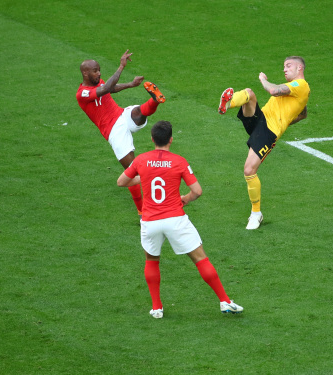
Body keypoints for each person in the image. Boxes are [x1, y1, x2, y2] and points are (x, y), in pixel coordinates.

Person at [117, 120, 243, 318]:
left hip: (150, 221)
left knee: (151, 260)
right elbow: (197, 191)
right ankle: (225, 302)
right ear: (171, 140)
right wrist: (185, 198)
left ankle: (157, 308)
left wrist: (145, 177)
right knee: (200, 258)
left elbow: (121, 181)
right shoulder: (179, 161)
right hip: (175, 219)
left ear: (152, 139)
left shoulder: (141, 160)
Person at [217, 56, 310, 230]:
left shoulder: (301, 86)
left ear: (300, 68)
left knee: (249, 170)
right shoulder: (296, 90)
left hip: (269, 131)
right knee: (249, 94)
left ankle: (256, 213)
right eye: (284, 66)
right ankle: (227, 104)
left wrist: (263, 80)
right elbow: (303, 114)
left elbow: (274, 91)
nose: (284, 69)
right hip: (261, 119)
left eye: (288, 66)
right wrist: (289, 118)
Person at [77, 49, 166, 218]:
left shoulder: (98, 82)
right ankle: (142, 212)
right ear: (85, 73)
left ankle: (154, 100)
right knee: (132, 171)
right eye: (95, 71)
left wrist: (131, 85)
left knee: (138, 113)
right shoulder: (83, 94)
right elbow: (106, 89)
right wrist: (120, 67)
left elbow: (110, 88)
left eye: (99, 69)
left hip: (120, 115)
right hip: (113, 132)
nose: (99, 73)